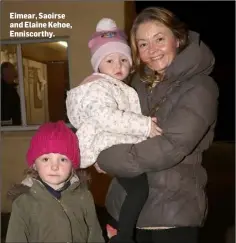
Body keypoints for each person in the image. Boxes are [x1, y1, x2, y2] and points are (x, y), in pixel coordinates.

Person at [96, 7, 219, 243]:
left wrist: (105, 158)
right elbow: (106, 120)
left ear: (178, 38)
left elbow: (171, 146)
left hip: (170, 215)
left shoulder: (200, 87)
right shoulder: (135, 82)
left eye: (159, 39)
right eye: (143, 44)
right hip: (124, 209)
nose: (152, 50)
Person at [66, 18, 162, 243]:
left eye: (123, 60)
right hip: (109, 146)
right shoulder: (98, 87)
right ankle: (123, 237)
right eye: (109, 60)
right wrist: (144, 126)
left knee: (133, 190)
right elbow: (106, 117)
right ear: (98, 64)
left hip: (113, 147)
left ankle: (116, 229)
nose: (118, 66)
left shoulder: (115, 86)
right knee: (139, 190)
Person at [6, 121, 104, 243]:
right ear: (34, 165)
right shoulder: (23, 203)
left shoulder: (84, 197)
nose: (54, 166)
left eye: (63, 159)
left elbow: (95, 235)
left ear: (73, 165)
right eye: (46, 159)